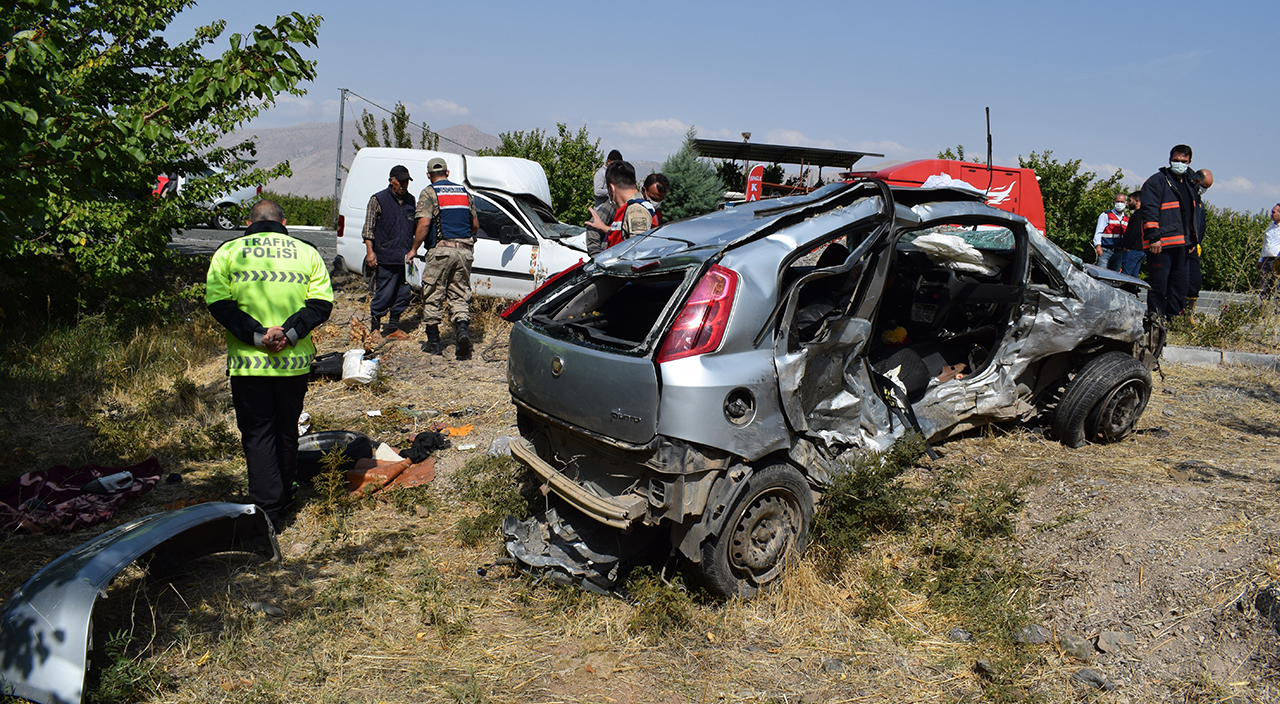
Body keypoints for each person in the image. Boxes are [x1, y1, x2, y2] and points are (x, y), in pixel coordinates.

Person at [205, 200, 334, 526]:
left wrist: (258, 336)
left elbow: (219, 304)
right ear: (284, 223)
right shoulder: (307, 252)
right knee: (286, 430)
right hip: (293, 364)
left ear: (249, 223)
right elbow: (320, 304)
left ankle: (268, 511)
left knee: (258, 434)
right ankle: (286, 494)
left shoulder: (228, 251)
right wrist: (288, 334)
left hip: (249, 365)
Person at [409, 157, 479, 359]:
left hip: (440, 250)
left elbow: (424, 223)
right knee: (459, 294)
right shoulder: (464, 193)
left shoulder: (429, 192)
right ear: (447, 173)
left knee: (433, 294)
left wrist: (414, 248)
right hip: (464, 250)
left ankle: (433, 343)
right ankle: (462, 333)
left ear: (428, 175)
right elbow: (475, 225)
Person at [1138, 144, 1204, 319]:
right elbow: (1149, 210)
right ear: (1169, 160)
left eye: (1184, 161)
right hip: (1162, 243)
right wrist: (1154, 237)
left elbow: (1193, 214)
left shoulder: (1191, 183)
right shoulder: (1157, 181)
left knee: (1180, 285)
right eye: (1176, 160)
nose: (1179, 164)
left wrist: (1193, 239)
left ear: (1189, 162)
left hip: (1183, 243)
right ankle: (1156, 320)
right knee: (1159, 285)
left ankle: (1173, 320)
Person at [362, 165, 416, 340]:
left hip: (404, 257)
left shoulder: (411, 201)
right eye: (400, 181)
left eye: (406, 182)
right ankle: (375, 329)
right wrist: (370, 252)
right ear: (391, 181)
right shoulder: (378, 199)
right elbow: (368, 229)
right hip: (385, 255)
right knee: (383, 294)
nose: (403, 185)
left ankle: (393, 328)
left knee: (403, 294)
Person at [585, 161, 658, 254]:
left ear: (611, 189)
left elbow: (637, 253)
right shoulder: (629, 209)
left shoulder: (636, 211)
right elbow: (625, 234)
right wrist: (604, 228)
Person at [1184, 168, 1214, 319]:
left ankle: (1188, 315)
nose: (1204, 190)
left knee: (1194, 282)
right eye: (1204, 186)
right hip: (1182, 245)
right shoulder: (1186, 197)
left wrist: (1197, 243)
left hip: (1194, 247)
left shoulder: (1199, 202)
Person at [1092, 192, 1129, 271]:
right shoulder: (1106, 215)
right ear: (1114, 202)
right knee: (1102, 273)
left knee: (1114, 275)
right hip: (1105, 251)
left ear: (1126, 203)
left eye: (1122, 202)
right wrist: (1098, 246)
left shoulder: (1126, 219)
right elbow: (1098, 232)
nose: (1119, 203)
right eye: (1117, 201)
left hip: (1119, 252)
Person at [1117, 191, 1145, 277]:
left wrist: (1127, 245)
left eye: (1130, 200)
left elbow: (1135, 231)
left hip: (1134, 249)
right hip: (1140, 249)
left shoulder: (1138, 214)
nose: (1128, 203)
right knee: (1134, 276)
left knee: (1126, 275)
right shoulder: (1144, 213)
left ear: (1136, 201)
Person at [1260, 203, 1280, 300]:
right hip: (1266, 260)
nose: (1271, 214)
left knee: (1277, 287)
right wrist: (1260, 260)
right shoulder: (1270, 226)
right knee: (1264, 286)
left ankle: (1277, 307)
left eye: (1273, 212)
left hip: (1277, 260)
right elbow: (1265, 244)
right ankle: (1264, 307)